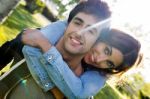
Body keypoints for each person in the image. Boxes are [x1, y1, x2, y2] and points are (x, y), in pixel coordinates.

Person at [22, 1, 141, 99]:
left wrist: (53, 88)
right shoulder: (64, 28)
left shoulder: (100, 74)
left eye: (109, 63)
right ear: (101, 39)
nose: (98, 59)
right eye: (106, 50)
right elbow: (30, 49)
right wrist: (57, 89)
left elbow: (79, 94)